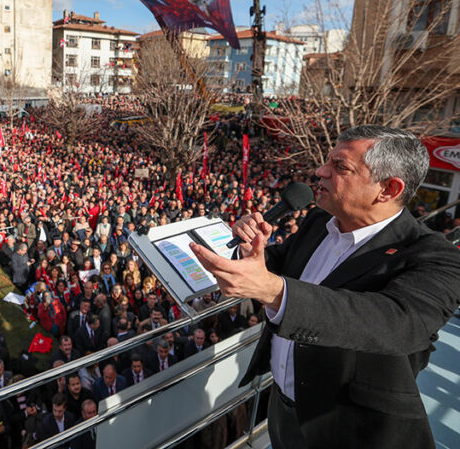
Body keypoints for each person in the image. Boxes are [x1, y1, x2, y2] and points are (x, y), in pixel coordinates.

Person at [190, 125, 460, 448]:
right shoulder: (319, 222)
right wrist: (248, 251)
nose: (320, 171)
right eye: (327, 161)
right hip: (282, 411)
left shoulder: (436, 257)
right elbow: (272, 265)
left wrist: (274, 291)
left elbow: (392, 322)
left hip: (354, 432)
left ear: (388, 189)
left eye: (340, 167)